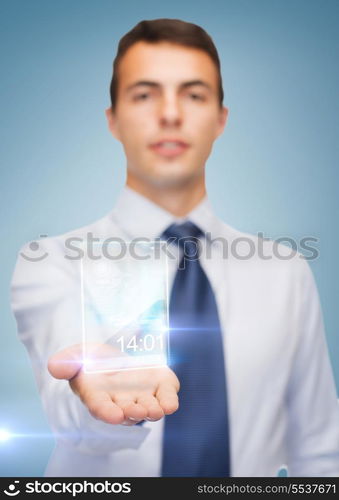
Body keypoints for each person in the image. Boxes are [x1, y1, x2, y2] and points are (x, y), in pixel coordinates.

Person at [10, 18, 339, 477]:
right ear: (114, 119)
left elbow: (319, 446)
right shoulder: (52, 261)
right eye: (144, 94)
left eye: (194, 94)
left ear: (221, 119)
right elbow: (65, 409)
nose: (170, 113)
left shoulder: (285, 271)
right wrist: (98, 396)